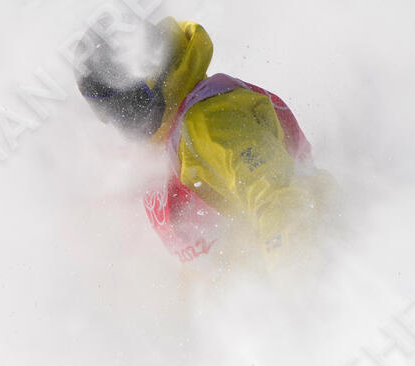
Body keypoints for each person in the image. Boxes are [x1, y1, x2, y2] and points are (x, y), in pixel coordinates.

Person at [73, 16, 333, 271]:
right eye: (109, 115)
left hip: (310, 252)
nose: (120, 125)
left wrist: (293, 285)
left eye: (121, 110)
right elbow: (203, 257)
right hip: (247, 280)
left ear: (143, 90)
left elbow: (281, 199)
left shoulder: (208, 122)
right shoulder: (166, 148)